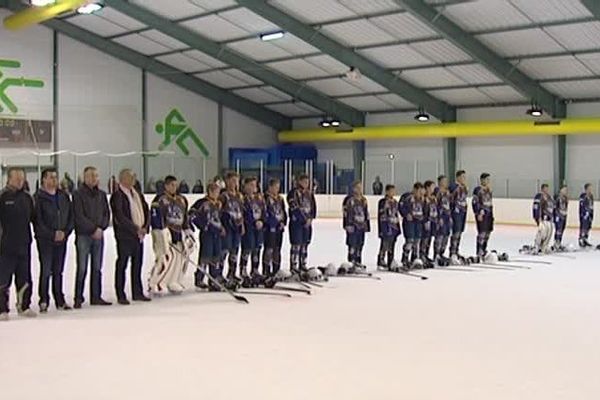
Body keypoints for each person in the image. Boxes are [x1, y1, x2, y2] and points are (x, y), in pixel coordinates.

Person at [34, 168, 74, 313]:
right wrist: (52, 234)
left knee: (58, 270)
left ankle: (59, 300)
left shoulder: (63, 196)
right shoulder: (38, 198)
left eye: (55, 177)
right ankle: (43, 299)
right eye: (50, 177)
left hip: (61, 239)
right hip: (45, 241)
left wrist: (65, 232)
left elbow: (70, 216)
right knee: (46, 270)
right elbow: (38, 221)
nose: (54, 180)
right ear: (43, 180)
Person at [0, 167, 37, 320]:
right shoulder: (2, 197)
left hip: (24, 245)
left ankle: (24, 305)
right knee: (3, 279)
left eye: (22, 179)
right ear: (9, 179)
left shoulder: (28, 198)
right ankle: (2, 309)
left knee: (25, 277)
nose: (20, 181)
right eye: (17, 179)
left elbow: (34, 218)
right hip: (6, 246)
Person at [72, 166, 111, 308]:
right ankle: (78, 297)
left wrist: (102, 228)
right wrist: (93, 229)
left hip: (99, 236)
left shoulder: (101, 194)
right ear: (84, 177)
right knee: (82, 267)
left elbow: (106, 214)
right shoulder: (78, 194)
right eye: (90, 176)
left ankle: (96, 296)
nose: (93, 178)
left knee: (97, 267)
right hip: (84, 236)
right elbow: (79, 216)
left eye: (96, 175)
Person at [110, 169, 150, 305]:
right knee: (122, 264)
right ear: (123, 178)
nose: (134, 179)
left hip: (139, 235)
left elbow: (146, 210)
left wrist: (145, 227)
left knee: (137, 264)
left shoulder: (137, 193)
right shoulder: (117, 195)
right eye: (132, 176)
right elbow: (120, 216)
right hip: (125, 236)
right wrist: (135, 229)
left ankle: (137, 291)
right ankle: (120, 294)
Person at [149, 175, 192, 294]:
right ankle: (155, 282)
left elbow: (184, 216)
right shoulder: (160, 200)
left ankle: (172, 281)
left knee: (179, 258)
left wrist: (187, 229)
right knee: (164, 258)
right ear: (166, 186)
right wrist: (162, 231)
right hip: (163, 233)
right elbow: (155, 216)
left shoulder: (181, 200)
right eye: (171, 185)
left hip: (177, 233)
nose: (174, 187)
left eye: (175, 185)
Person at [190, 183, 225, 291]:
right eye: (214, 191)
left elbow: (219, 217)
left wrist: (221, 227)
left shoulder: (218, 203)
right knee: (205, 255)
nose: (216, 194)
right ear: (209, 191)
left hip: (217, 233)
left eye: (218, 192)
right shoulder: (202, 203)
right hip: (207, 234)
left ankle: (214, 278)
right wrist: (203, 226)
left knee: (216, 255)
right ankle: (199, 278)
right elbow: (192, 214)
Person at [218, 172, 244, 288]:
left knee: (234, 251)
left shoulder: (239, 196)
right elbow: (217, 212)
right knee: (224, 250)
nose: (235, 183)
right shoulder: (223, 196)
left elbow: (241, 211)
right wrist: (221, 226)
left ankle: (232, 273)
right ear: (227, 181)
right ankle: (219, 274)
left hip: (237, 227)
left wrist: (242, 224)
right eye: (232, 180)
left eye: (236, 181)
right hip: (227, 226)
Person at [287, 174, 316, 274]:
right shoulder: (293, 193)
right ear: (299, 182)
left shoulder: (309, 193)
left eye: (307, 182)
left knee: (305, 244)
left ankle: (302, 263)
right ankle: (293, 265)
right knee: (296, 244)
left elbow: (313, 207)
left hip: (307, 224)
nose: (306, 184)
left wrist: (311, 219)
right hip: (297, 223)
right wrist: (304, 219)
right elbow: (294, 207)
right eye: (304, 182)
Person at [240, 176, 266, 286]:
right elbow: (242, 214)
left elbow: (264, 211)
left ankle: (255, 269)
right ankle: (243, 269)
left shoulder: (259, 199)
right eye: (250, 185)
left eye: (255, 185)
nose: (253, 187)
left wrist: (262, 221)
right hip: (248, 227)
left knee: (257, 248)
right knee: (247, 248)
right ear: (245, 186)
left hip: (258, 227)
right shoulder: (242, 198)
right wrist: (252, 222)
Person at [263, 178, 287, 280]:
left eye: (278, 187)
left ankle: (276, 269)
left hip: (279, 228)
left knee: (277, 249)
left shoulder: (280, 199)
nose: (277, 189)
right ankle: (266, 270)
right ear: (270, 187)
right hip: (269, 228)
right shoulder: (265, 198)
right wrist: (271, 223)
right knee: (269, 249)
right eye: (275, 187)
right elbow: (264, 213)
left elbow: (283, 212)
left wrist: (283, 222)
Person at [343, 180, 370, 268]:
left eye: (361, 187)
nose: (360, 189)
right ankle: (351, 261)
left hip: (361, 226)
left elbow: (366, 213)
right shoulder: (349, 199)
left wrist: (367, 225)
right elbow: (346, 213)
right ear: (353, 189)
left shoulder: (363, 200)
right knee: (352, 244)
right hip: (352, 226)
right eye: (358, 187)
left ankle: (358, 260)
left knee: (360, 244)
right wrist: (347, 224)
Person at [400, 182, 425, 269]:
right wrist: (406, 214)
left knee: (417, 241)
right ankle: (405, 258)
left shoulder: (422, 199)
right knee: (410, 240)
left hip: (418, 222)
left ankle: (414, 258)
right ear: (414, 190)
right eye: (419, 191)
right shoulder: (407, 197)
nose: (420, 194)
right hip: (409, 222)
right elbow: (401, 207)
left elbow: (425, 209)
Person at [377, 184, 401, 270]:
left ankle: (390, 260)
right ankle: (381, 260)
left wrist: (398, 226)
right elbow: (382, 215)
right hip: (386, 226)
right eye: (391, 191)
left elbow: (396, 214)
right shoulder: (383, 202)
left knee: (392, 244)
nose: (393, 192)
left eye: (393, 191)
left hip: (394, 226)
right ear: (386, 191)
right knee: (385, 244)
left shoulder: (395, 202)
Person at [472, 173, 494, 259]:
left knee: (488, 232)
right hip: (482, 214)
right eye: (487, 179)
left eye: (489, 179)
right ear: (482, 180)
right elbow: (475, 202)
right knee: (482, 232)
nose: (488, 181)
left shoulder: (489, 190)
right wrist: (478, 213)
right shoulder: (478, 190)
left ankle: (484, 249)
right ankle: (479, 251)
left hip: (489, 214)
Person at [449, 170, 468, 264]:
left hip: (462, 212)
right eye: (463, 177)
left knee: (459, 232)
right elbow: (450, 200)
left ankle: (456, 250)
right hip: (455, 213)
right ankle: (452, 252)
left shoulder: (464, 188)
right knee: (455, 233)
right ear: (458, 177)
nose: (464, 179)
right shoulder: (453, 187)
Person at [434, 175, 452, 267]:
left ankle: (441, 253)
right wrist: (438, 217)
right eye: (444, 181)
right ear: (440, 182)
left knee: (446, 235)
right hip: (440, 217)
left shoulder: (447, 192)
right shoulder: (437, 191)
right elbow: (436, 204)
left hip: (447, 216)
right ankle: (436, 254)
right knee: (439, 236)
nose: (446, 183)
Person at [532, 184, 554, 254]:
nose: (547, 190)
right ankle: (536, 246)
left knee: (549, 233)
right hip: (542, 218)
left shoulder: (549, 197)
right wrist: (537, 217)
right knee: (541, 232)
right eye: (545, 189)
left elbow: (552, 207)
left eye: (547, 189)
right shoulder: (539, 197)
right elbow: (536, 207)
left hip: (549, 219)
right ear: (542, 189)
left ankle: (544, 247)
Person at [420, 180, 438, 268]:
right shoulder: (424, 198)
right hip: (425, 221)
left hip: (432, 221)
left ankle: (426, 255)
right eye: (432, 187)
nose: (433, 189)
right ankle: (421, 255)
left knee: (429, 239)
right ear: (427, 188)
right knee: (424, 239)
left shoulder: (433, 198)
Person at [552, 185, 568, 251]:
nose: (566, 191)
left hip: (564, 215)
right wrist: (556, 215)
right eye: (564, 190)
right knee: (558, 229)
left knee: (562, 229)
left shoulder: (565, 198)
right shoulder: (557, 198)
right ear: (561, 190)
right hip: (558, 216)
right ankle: (556, 243)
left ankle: (559, 242)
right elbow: (555, 208)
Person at [578, 183, 594, 248]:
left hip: (590, 214)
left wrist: (591, 212)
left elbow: (591, 205)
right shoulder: (583, 196)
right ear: (586, 189)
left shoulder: (591, 196)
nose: (590, 190)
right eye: (589, 188)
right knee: (583, 227)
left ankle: (586, 239)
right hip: (584, 214)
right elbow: (582, 205)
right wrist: (585, 213)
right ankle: (581, 239)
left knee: (588, 227)